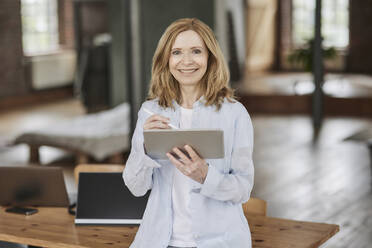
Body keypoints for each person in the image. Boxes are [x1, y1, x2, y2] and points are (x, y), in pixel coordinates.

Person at [123, 18, 254, 248]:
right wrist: (143, 148)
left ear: (210, 58)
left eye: (196, 51)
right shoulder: (150, 112)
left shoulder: (235, 114)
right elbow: (135, 187)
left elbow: (242, 189)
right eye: (176, 52)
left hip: (219, 242)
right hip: (159, 241)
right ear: (166, 59)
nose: (186, 61)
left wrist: (205, 176)